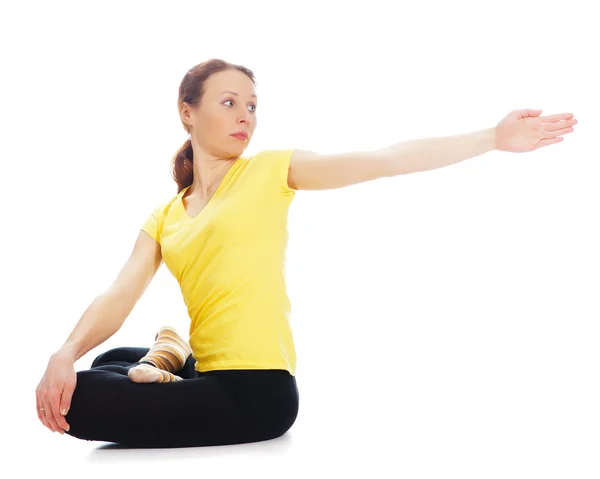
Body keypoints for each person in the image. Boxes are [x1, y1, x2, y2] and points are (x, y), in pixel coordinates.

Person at [35, 59, 301, 448]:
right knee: (109, 359)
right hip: (211, 372)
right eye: (230, 103)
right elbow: (120, 292)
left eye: (252, 106)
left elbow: (378, 161)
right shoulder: (167, 214)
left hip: (259, 394)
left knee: (82, 396)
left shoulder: (268, 172)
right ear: (187, 112)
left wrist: (423, 152)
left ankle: (169, 355)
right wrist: (64, 353)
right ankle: (175, 353)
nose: (245, 116)